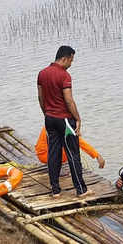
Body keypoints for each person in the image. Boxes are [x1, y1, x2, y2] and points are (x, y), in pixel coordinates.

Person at [37, 45, 93, 198]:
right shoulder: (64, 76)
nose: (71, 64)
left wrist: (47, 113)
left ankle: (55, 190)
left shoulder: (42, 74)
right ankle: (81, 190)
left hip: (49, 119)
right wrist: (78, 118)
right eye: (71, 60)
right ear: (65, 58)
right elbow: (69, 100)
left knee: (53, 154)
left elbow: (40, 98)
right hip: (65, 120)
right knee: (73, 154)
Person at [35, 126, 105, 168]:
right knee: (73, 144)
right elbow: (80, 142)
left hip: (42, 154)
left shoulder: (51, 121)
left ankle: (57, 165)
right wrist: (97, 155)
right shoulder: (62, 124)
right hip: (46, 156)